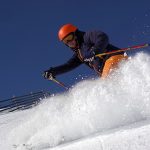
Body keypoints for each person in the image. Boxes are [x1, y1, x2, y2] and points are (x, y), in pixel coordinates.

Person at [43, 24, 128, 80]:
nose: (70, 42)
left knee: (106, 84)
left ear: (75, 34)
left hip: (114, 58)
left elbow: (102, 37)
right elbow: (68, 66)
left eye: (70, 37)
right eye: (66, 41)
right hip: (105, 70)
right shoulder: (80, 55)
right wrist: (53, 71)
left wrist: (95, 51)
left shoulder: (86, 37)